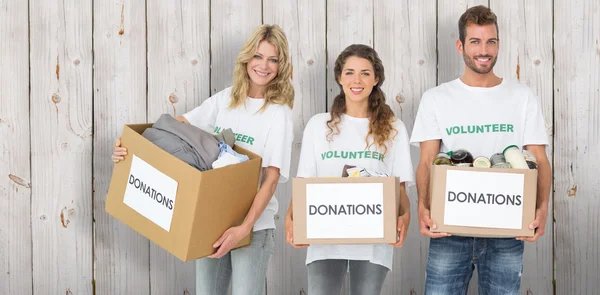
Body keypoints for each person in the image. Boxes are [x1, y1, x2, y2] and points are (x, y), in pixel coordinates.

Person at [112, 24, 294, 295]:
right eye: (258, 56)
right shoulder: (227, 99)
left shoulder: (278, 114)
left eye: (273, 59)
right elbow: (176, 127)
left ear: (281, 66)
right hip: (211, 222)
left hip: (254, 228)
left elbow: (271, 179)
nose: (264, 66)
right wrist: (130, 147)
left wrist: (242, 229)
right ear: (247, 58)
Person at [410, 6, 551, 294]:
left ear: (498, 44)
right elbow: (426, 162)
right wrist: (423, 207)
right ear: (461, 45)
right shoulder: (436, 98)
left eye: (491, 41)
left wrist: (542, 207)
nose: (484, 50)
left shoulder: (522, 96)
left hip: (507, 230)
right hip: (449, 229)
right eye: (475, 41)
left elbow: (540, 159)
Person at [285, 44, 414, 295]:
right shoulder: (318, 126)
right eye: (350, 72)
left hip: (373, 242)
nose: (357, 80)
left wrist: (405, 216)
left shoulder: (393, 127)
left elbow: (399, 188)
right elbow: (305, 183)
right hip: (324, 240)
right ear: (339, 77)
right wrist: (292, 219)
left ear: (376, 79)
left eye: (365, 73)